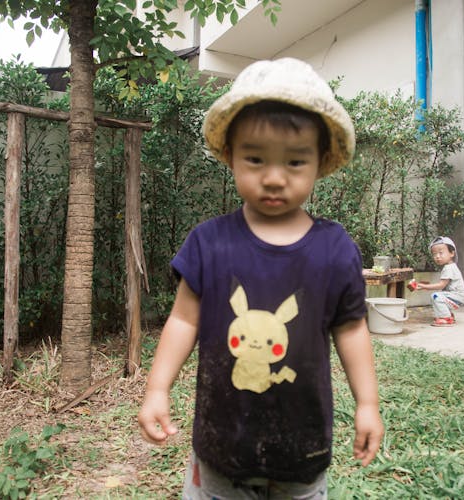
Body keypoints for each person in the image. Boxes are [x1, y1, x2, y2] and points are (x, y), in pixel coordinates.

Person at [137, 57, 384, 499]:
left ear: (320, 161)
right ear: (229, 154)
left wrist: (367, 404)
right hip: (221, 446)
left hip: (301, 451)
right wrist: (157, 388)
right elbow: (183, 321)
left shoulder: (334, 249)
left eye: (294, 161)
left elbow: (351, 328)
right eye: (255, 158)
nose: (273, 178)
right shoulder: (209, 243)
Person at [407, 236, 464, 327]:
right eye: (434, 254)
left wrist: (424, 286)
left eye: (441, 253)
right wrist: (424, 285)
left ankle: (446, 318)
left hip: (458, 297)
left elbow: (441, 285)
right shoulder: (450, 266)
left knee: (436, 296)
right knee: (440, 296)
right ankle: (448, 315)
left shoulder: (449, 268)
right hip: (457, 296)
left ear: (452, 253)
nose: (437, 256)